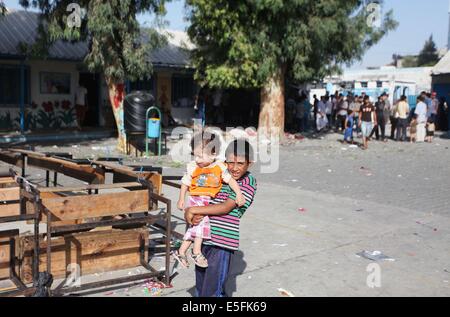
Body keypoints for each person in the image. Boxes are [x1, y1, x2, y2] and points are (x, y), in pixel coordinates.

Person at [185, 139, 257, 297]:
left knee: (212, 290)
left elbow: (227, 206)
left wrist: (194, 210)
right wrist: (190, 214)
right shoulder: (220, 175)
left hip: (221, 242)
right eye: (230, 162)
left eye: (240, 163)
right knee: (201, 286)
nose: (234, 168)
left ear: (249, 164)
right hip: (203, 238)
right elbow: (201, 197)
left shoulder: (248, 181)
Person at [174, 132, 246, 269]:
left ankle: (181, 251)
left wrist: (239, 194)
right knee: (202, 224)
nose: (197, 159)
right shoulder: (193, 167)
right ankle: (196, 252)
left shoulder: (218, 167)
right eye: (195, 156)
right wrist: (181, 199)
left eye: (200, 156)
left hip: (206, 200)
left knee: (195, 226)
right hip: (196, 198)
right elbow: (185, 182)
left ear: (213, 154)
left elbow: (231, 181)